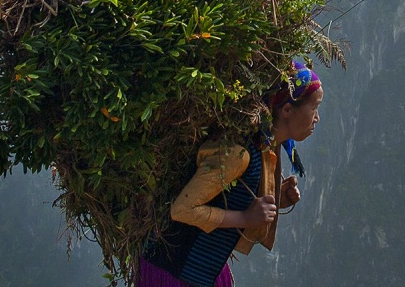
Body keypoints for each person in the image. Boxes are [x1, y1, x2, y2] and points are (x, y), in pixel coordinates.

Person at [138, 60, 324, 287]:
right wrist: (246, 217)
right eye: (314, 108)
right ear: (286, 110)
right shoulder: (238, 153)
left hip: (203, 271)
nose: (317, 118)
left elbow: (226, 201)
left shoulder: (262, 148)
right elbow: (182, 210)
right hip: (172, 271)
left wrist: (276, 201)